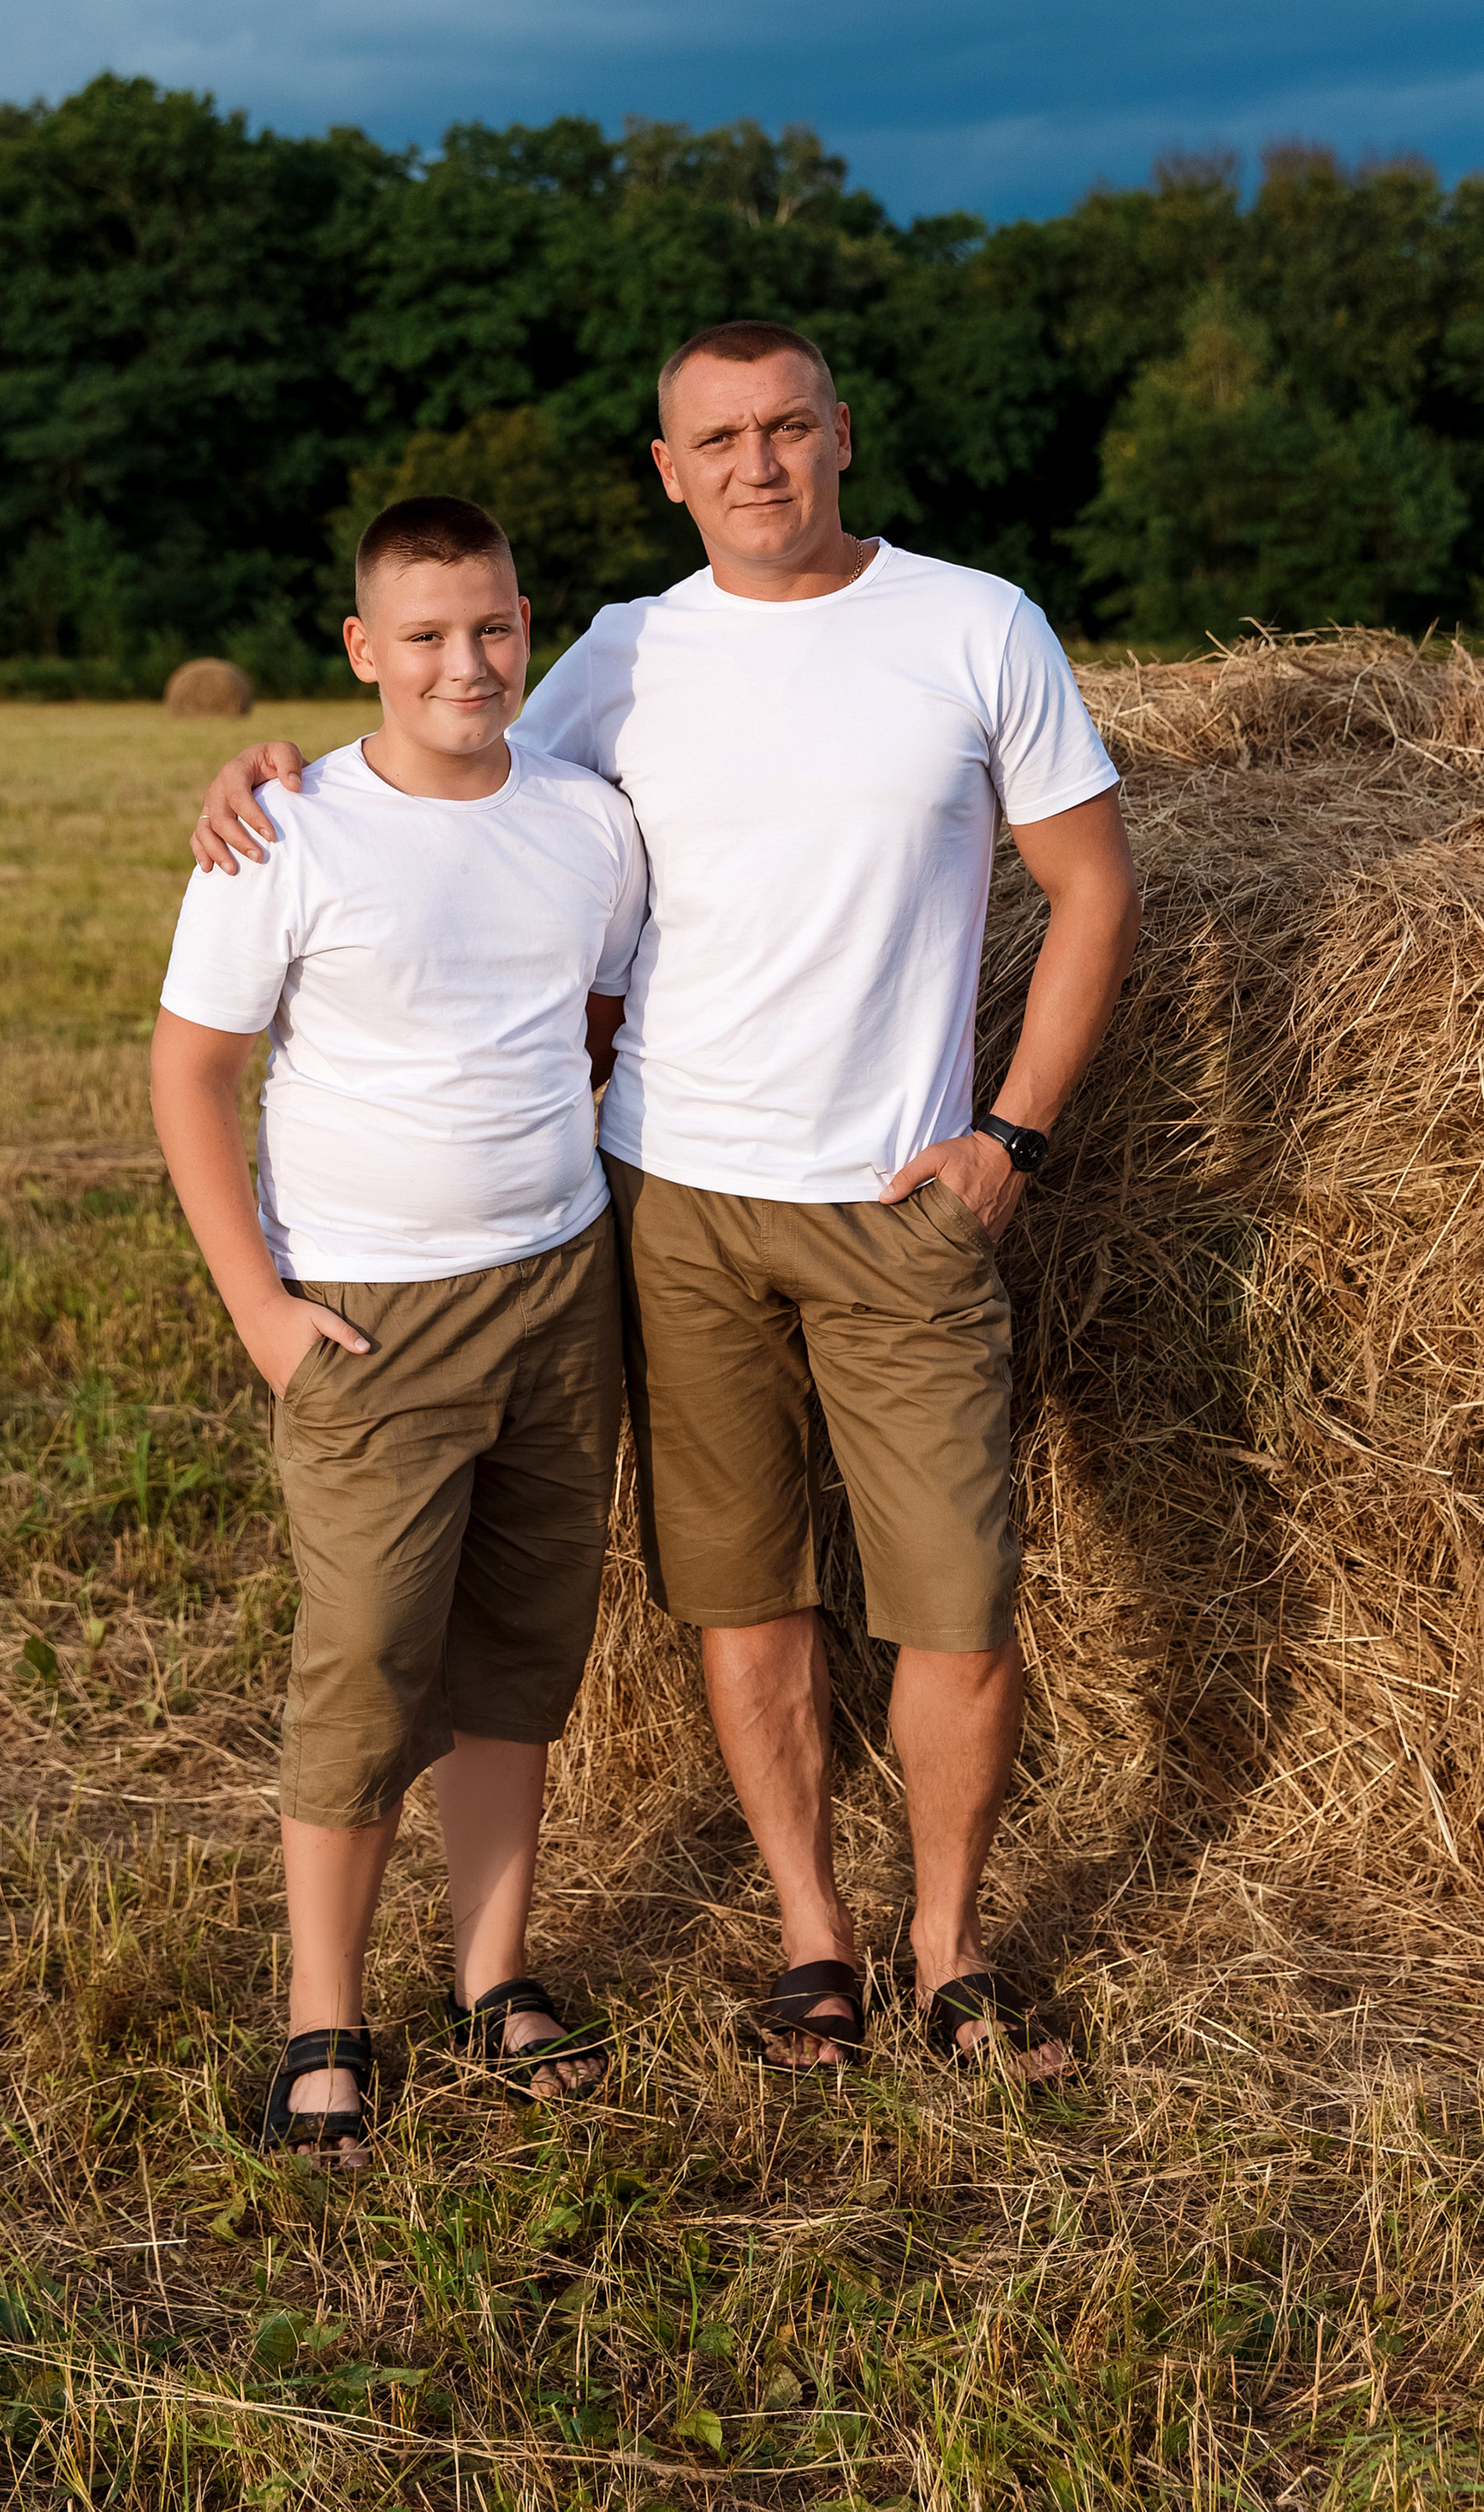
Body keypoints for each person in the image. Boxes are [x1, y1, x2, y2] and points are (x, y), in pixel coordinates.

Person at [191, 328, 1141, 2078]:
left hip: (901, 1197)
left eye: (787, 429)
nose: (755, 465)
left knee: (955, 1601)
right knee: (737, 1593)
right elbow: (448, 750)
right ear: (665, 468)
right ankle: (810, 1941)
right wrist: (270, 778)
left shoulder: (972, 624)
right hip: (670, 1201)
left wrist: (1009, 1139)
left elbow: (1090, 887)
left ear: (840, 437)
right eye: (716, 440)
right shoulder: (623, 656)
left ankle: (952, 1949)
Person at [151, 493, 647, 2163]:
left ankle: (492, 1980)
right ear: (363, 651)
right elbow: (191, 1073)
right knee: (364, 1661)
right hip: (362, 1320)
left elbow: (585, 1021)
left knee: (517, 1653)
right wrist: (260, 1311)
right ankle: (322, 2018)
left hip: (559, 1289)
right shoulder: (287, 831)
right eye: (426, 635)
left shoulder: (588, 824)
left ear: (528, 626)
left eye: (495, 626)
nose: (467, 661)